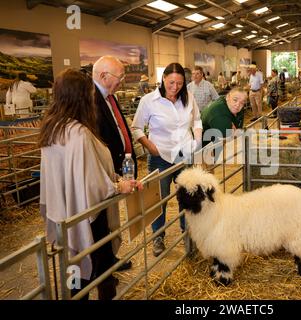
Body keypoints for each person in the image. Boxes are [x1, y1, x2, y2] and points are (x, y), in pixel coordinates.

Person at [38, 68, 142, 300]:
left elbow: (82, 170)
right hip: (88, 213)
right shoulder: (79, 133)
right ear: (82, 97)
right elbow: (93, 184)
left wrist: (114, 178)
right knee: (102, 264)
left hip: (63, 212)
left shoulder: (52, 128)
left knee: (72, 263)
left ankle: (76, 296)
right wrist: (118, 187)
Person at [131, 63, 202, 257]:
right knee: (159, 199)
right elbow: (136, 128)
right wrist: (149, 145)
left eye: (179, 83)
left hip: (184, 155)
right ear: (163, 79)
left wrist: (197, 139)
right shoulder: (148, 101)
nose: (175, 87)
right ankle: (158, 236)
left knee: (186, 196)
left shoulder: (188, 98)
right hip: (159, 157)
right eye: (171, 82)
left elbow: (197, 120)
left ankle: (187, 233)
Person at [92, 55, 137, 271]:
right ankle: (103, 266)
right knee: (103, 220)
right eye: (119, 77)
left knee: (112, 218)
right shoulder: (91, 99)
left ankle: (109, 257)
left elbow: (119, 127)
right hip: (103, 173)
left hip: (116, 170)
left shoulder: (110, 96)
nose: (122, 81)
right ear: (103, 76)